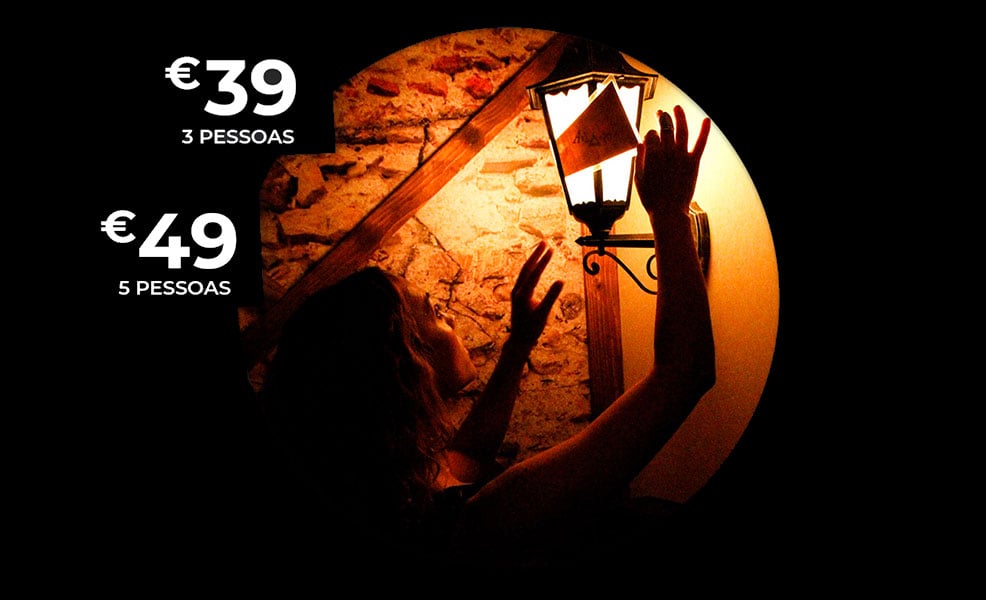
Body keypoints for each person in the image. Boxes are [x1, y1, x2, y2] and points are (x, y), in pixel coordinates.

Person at [258, 107, 715, 569]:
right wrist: (668, 212)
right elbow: (683, 373)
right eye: (434, 312)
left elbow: (467, 456)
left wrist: (518, 346)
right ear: (405, 360)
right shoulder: (481, 521)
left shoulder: (400, 495)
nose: (451, 318)